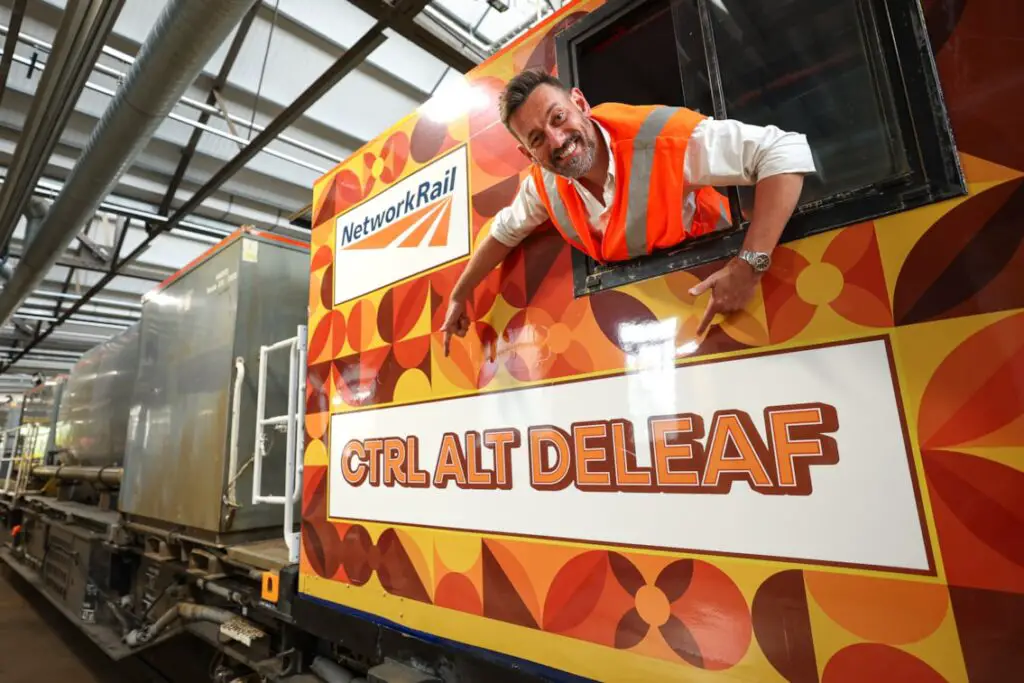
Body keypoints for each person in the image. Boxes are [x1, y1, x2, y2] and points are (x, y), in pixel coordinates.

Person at [441, 69, 816, 355]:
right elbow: (504, 233)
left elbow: (783, 150)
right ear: (528, 154)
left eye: (558, 117)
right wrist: (460, 293)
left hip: (733, 297)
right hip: (665, 325)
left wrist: (748, 266)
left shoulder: (662, 137)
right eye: (537, 138)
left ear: (580, 104)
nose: (557, 140)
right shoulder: (542, 185)